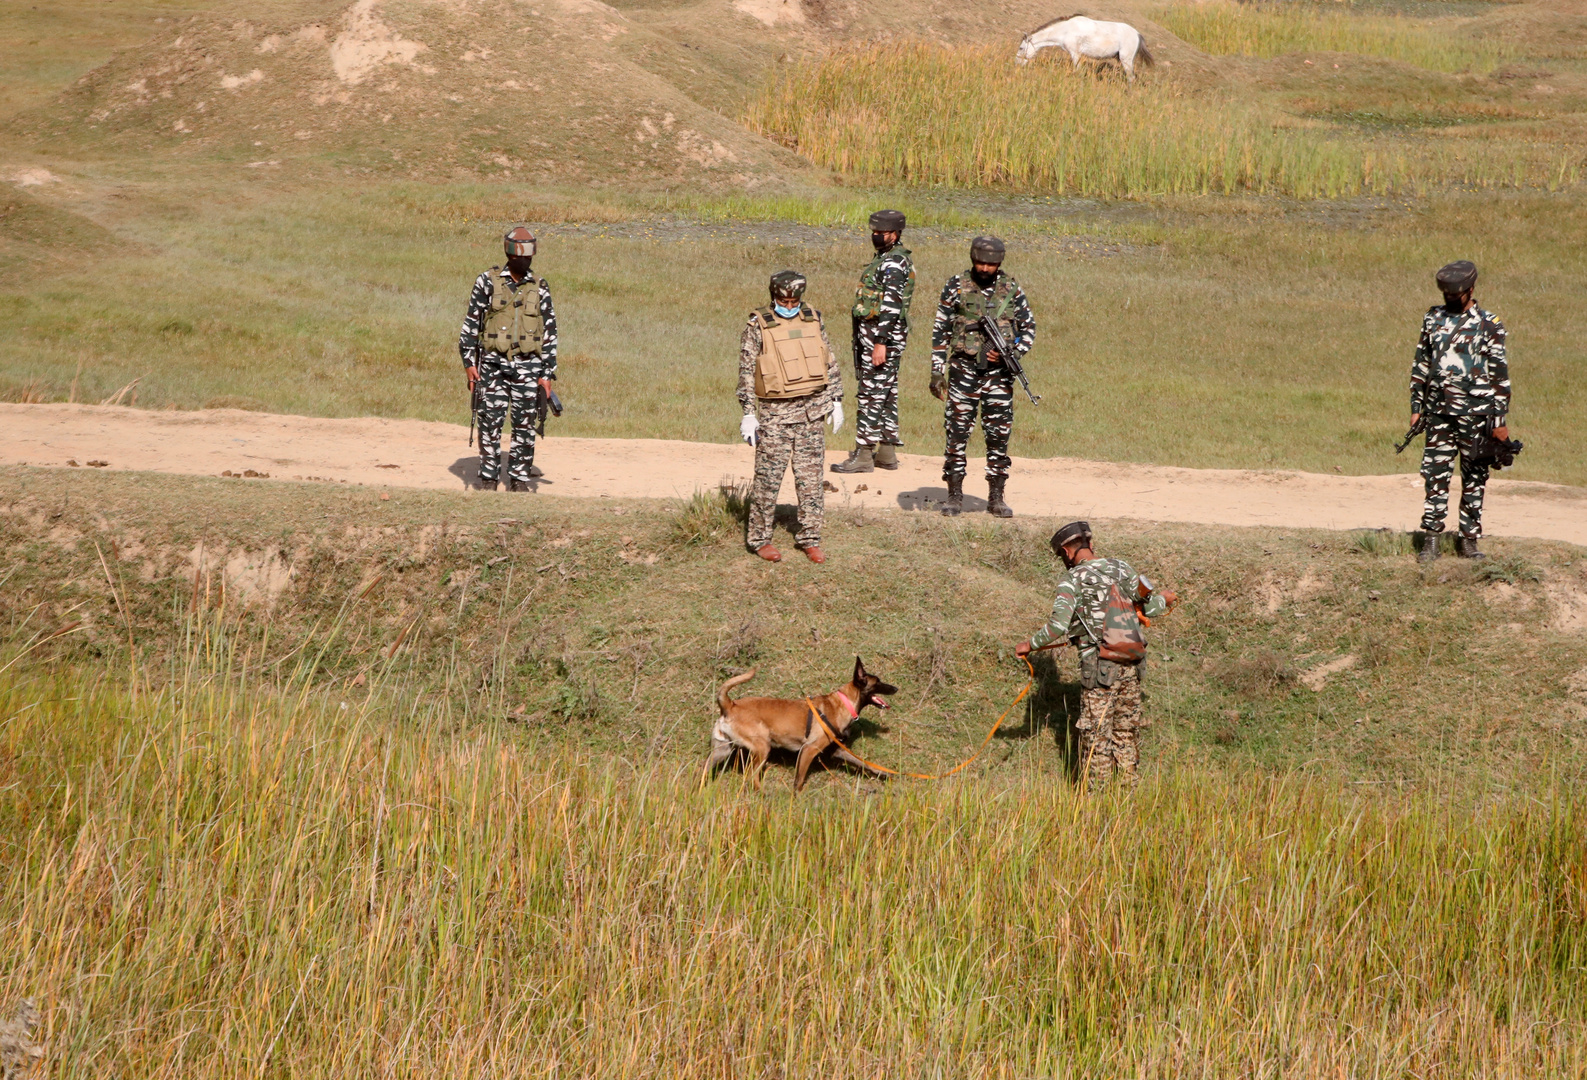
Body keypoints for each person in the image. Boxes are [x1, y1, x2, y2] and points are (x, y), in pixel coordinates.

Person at [1015, 521, 1176, 793]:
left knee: (1096, 738)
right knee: (1126, 734)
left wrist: (1029, 645)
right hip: (1133, 664)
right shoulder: (1121, 567)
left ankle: (1095, 803)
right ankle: (1127, 796)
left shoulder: (1071, 579)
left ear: (1066, 552)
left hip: (1099, 668)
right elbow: (1150, 609)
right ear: (1090, 544)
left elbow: (1057, 627)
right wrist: (1166, 598)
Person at [738, 270, 845, 563]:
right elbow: (747, 371)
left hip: (812, 411)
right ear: (774, 297)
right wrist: (749, 413)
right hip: (775, 415)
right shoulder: (757, 325)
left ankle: (810, 537)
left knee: (810, 479)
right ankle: (760, 539)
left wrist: (836, 399)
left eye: (794, 300)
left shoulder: (813, 318)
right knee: (768, 480)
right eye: (783, 300)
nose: (789, 305)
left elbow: (828, 358)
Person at [928, 236, 1037, 517]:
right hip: (963, 371)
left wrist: (1011, 352)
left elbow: (1029, 329)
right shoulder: (955, 285)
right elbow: (940, 330)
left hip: (999, 377)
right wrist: (936, 371)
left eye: (991, 264)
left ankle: (996, 497)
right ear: (972, 258)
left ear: (999, 263)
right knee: (956, 433)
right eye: (980, 262)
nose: (985, 268)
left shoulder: (1011, 289)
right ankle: (954, 495)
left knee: (998, 435)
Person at [1409, 260, 1511, 561]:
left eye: (1456, 295)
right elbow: (1421, 365)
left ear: (1471, 290)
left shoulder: (1489, 323)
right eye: (1446, 295)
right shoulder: (1432, 319)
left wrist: (1500, 421)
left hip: (1478, 415)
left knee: (1474, 477)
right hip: (1439, 413)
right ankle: (1431, 539)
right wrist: (1417, 407)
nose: (1450, 300)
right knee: (1435, 475)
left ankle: (1469, 541)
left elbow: (1499, 375)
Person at [458, 226, 558, 491]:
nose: (524, 261)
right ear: (509, 254)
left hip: (528, 366)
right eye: (520, 256)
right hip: (491, 364)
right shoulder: (487, 282)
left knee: (524, 425)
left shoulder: (540, 287)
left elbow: (549, 333)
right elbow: (471, 326)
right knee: (489, 421)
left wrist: (546, 375)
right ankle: (489, 478)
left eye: (528, 256)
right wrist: (469, 364)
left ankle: (519, 479)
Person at [832, 209, 915, 474]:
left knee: (870, 393)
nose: (877, 237)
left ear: (896, 234)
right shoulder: (888, 258)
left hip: (881, 337)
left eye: (882, 233)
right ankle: (887, 453)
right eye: (875, 232)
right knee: (887, 392)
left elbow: (891, 305)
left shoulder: (892, 264)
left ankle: (864, 453)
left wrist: (880, 342)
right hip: (880, 336)